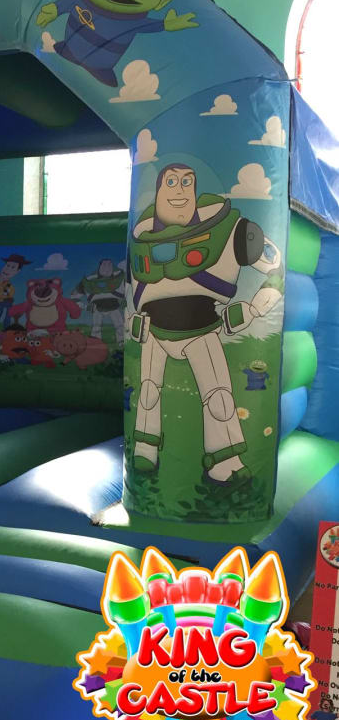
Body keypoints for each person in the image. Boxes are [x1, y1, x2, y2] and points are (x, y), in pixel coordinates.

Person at [128, 163, 282, 487]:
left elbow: (274, 265)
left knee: (219, 397)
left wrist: (257, 306)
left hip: (201, 330)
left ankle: (224, 461)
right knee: (148, 392)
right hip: (154, 331)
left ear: (196, 190)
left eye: (187, 182)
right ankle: (144, 448)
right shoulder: (141, 239)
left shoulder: (229, 230)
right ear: (159, 190)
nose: (179, 190)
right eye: (171, 182)